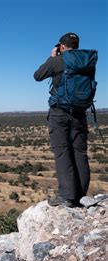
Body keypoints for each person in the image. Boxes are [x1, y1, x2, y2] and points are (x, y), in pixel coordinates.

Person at [34, 32, 93, 208]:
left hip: (60, 112)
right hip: (80, 112)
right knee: (79, 152)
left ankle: (67, 196)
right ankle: (81, 194)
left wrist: (51, 58)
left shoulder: (57, 61)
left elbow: (38, 76)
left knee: (62, 152)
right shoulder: (87, 61)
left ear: (61, 46)